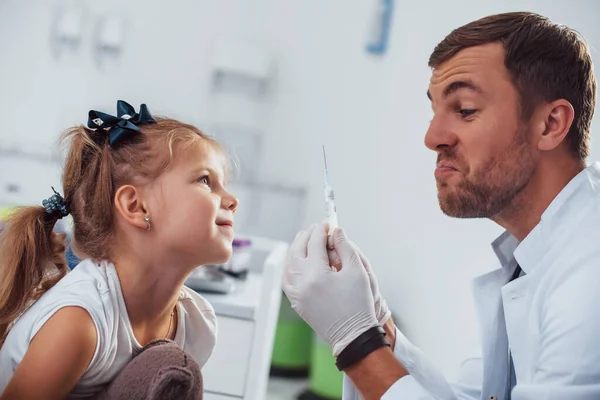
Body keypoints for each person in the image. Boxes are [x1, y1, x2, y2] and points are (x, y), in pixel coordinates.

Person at [283, 11, 599, 400]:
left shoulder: (590, 275)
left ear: (550, 124)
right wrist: (380, 325)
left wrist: (356, 340)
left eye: (465, 109)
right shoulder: (533, 256)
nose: (432, 137)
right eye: (435, 110)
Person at [0, 100, 239, 399]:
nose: (232, 199)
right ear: (135, 206)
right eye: (205, 180)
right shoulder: (79, 321)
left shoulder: (196, 323)